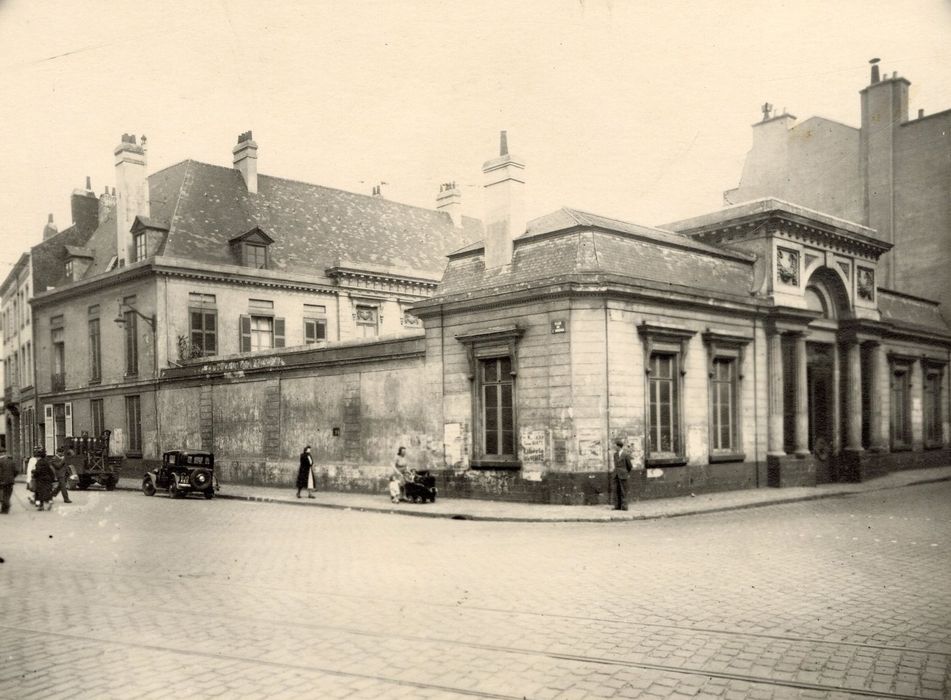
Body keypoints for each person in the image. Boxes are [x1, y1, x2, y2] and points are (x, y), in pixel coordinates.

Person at [612, 439, 633, 511]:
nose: (614, 447)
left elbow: (630, 466)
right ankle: (617, 506)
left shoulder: (625, 455)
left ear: (619, 446)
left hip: (623, 475)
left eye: (615, 446)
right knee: (616, 490)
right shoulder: (615, 455)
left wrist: (625, 472)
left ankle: (624, 507)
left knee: (623, 491)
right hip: (616, 475)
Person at [0, 450, 17, 515]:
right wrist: (12, 477)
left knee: (2, 495)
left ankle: (6, 506)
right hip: (10, 481)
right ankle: (4, 510)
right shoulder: (11, 461)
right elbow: (16, 471)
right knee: (7, 494)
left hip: (2, 481)